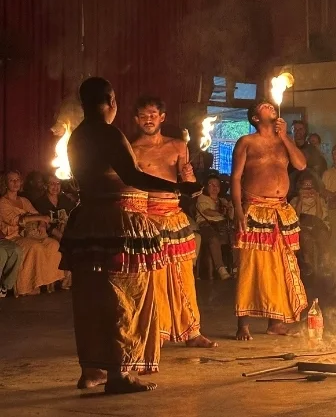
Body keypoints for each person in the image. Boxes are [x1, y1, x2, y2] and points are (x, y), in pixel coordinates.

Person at [60, 77, 199, 394]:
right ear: (111, 101)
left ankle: (92, 370)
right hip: (117, 222)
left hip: (88, 223)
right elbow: (133, 176)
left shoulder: (77, 136)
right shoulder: (108, 133)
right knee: (125, 297)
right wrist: (179, 187)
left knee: (92, 298)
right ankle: (120, 374)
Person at [131, 95, 216, 349]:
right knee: (154, 278)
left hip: (174, 217)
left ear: (162, 117)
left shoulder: (179, 146)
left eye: (153, 115)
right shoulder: (132, 150)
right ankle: (156, 332)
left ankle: (192, 332)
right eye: (143, 116)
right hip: (148, 218)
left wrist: (189, 177)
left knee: (183, 275)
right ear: (136, 120)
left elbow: (191, 189)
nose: (148, 120)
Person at [231, 100, 308, 341]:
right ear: (255, 118)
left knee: (280, 266)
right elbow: (235, 178)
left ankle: (276, 322)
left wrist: (285, 137)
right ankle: (243, 324)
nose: (271, 107)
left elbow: (301, 164)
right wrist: (238, 210)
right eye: (265, 106)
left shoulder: (284, 141)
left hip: (280, 211)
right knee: (251, 266)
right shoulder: (247, 142)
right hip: (255, 209)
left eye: (271, 105)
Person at [0, 171, 65, 295]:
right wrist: (39, 218)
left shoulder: (24, 200)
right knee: (35, 247)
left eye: (17, 180)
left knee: (53, 244)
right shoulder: (3, 202)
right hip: (13, 236)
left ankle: (47, 281)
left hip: (29, 233)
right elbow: (16, 220)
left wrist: (42, 223)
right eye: (12, 180)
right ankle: (27, 286)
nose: (15, 183)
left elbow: (37, 214)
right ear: (6, 183)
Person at [195, 175, 234, 280]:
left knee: (235, 236)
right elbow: (207, 211)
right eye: (211, 185)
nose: (215, 187)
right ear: (206, 186)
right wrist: (222, 212)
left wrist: (231, 208)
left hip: (223, 225)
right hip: (206, 225)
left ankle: (235, 266)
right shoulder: (202, 198)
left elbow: (230, 216)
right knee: (213, 239)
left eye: (217, 185)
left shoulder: (223, 200)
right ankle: (221, 269)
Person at [290, 173, 329, 275]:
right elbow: (295, 217)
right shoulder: (295, 200)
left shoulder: (320, 200)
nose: (308, 189)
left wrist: (317, 199)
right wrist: (300, 199)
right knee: (306, 238)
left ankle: (325, 264)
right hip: (303, 227)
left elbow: (320, 216)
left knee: (323, 235)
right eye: (305, 186)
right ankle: (308, 265)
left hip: (317, 226)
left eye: (310, 186)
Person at [33, 174, 76, 241]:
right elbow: (43, 223)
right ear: (45, 186)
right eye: (52, 183)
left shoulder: (65, 199)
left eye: (58, 183)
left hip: (68, 234)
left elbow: (73, 216)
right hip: (50, 237)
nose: (56, 186)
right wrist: (61, 236)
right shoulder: (40, 203)